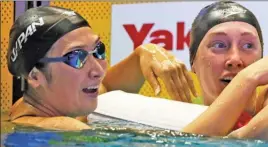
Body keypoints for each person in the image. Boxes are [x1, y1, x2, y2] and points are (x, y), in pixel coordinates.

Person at [6, 6, 197, 131]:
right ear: (35, 76)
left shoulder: (62, 102)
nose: (97, 69)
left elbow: (105, 87)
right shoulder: (63, 128)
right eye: (76, 57)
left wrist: (144, 52)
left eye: (99, 50)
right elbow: (196, 139)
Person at [180, 1, 268, 147]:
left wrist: (248, 78)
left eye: (248, 45)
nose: (235, 60)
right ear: (193, 61)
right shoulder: (179, 114)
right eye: (219, 45)